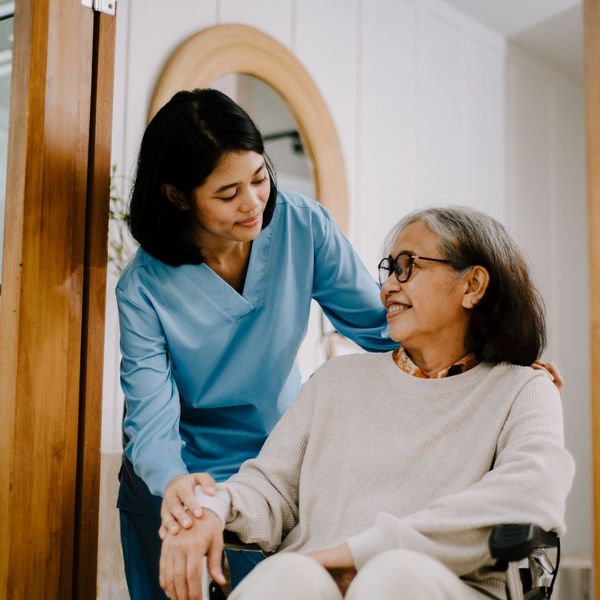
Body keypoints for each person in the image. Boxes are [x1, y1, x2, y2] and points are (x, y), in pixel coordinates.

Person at [158, 206, 575, 600]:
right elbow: (271, 492)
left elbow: (531, 494)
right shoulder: (336, 381)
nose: (388, 286)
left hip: (443, 585)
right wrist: (213, 507)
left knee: (393, 575)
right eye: (389, 270)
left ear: (473, 285)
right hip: (314, 578)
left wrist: (358, 553)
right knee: (289, 575)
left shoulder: (523, 388)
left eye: (407, 267)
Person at [116, 88, 398, 599]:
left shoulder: (301, 224)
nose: (253, 204)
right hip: (175, 477)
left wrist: (488, 355)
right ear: (178, 196)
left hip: (269, 466)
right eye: (228, 194)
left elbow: (382, 327)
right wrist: (177, 489)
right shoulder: (143, 289)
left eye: (260, 177)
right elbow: (151, 420)